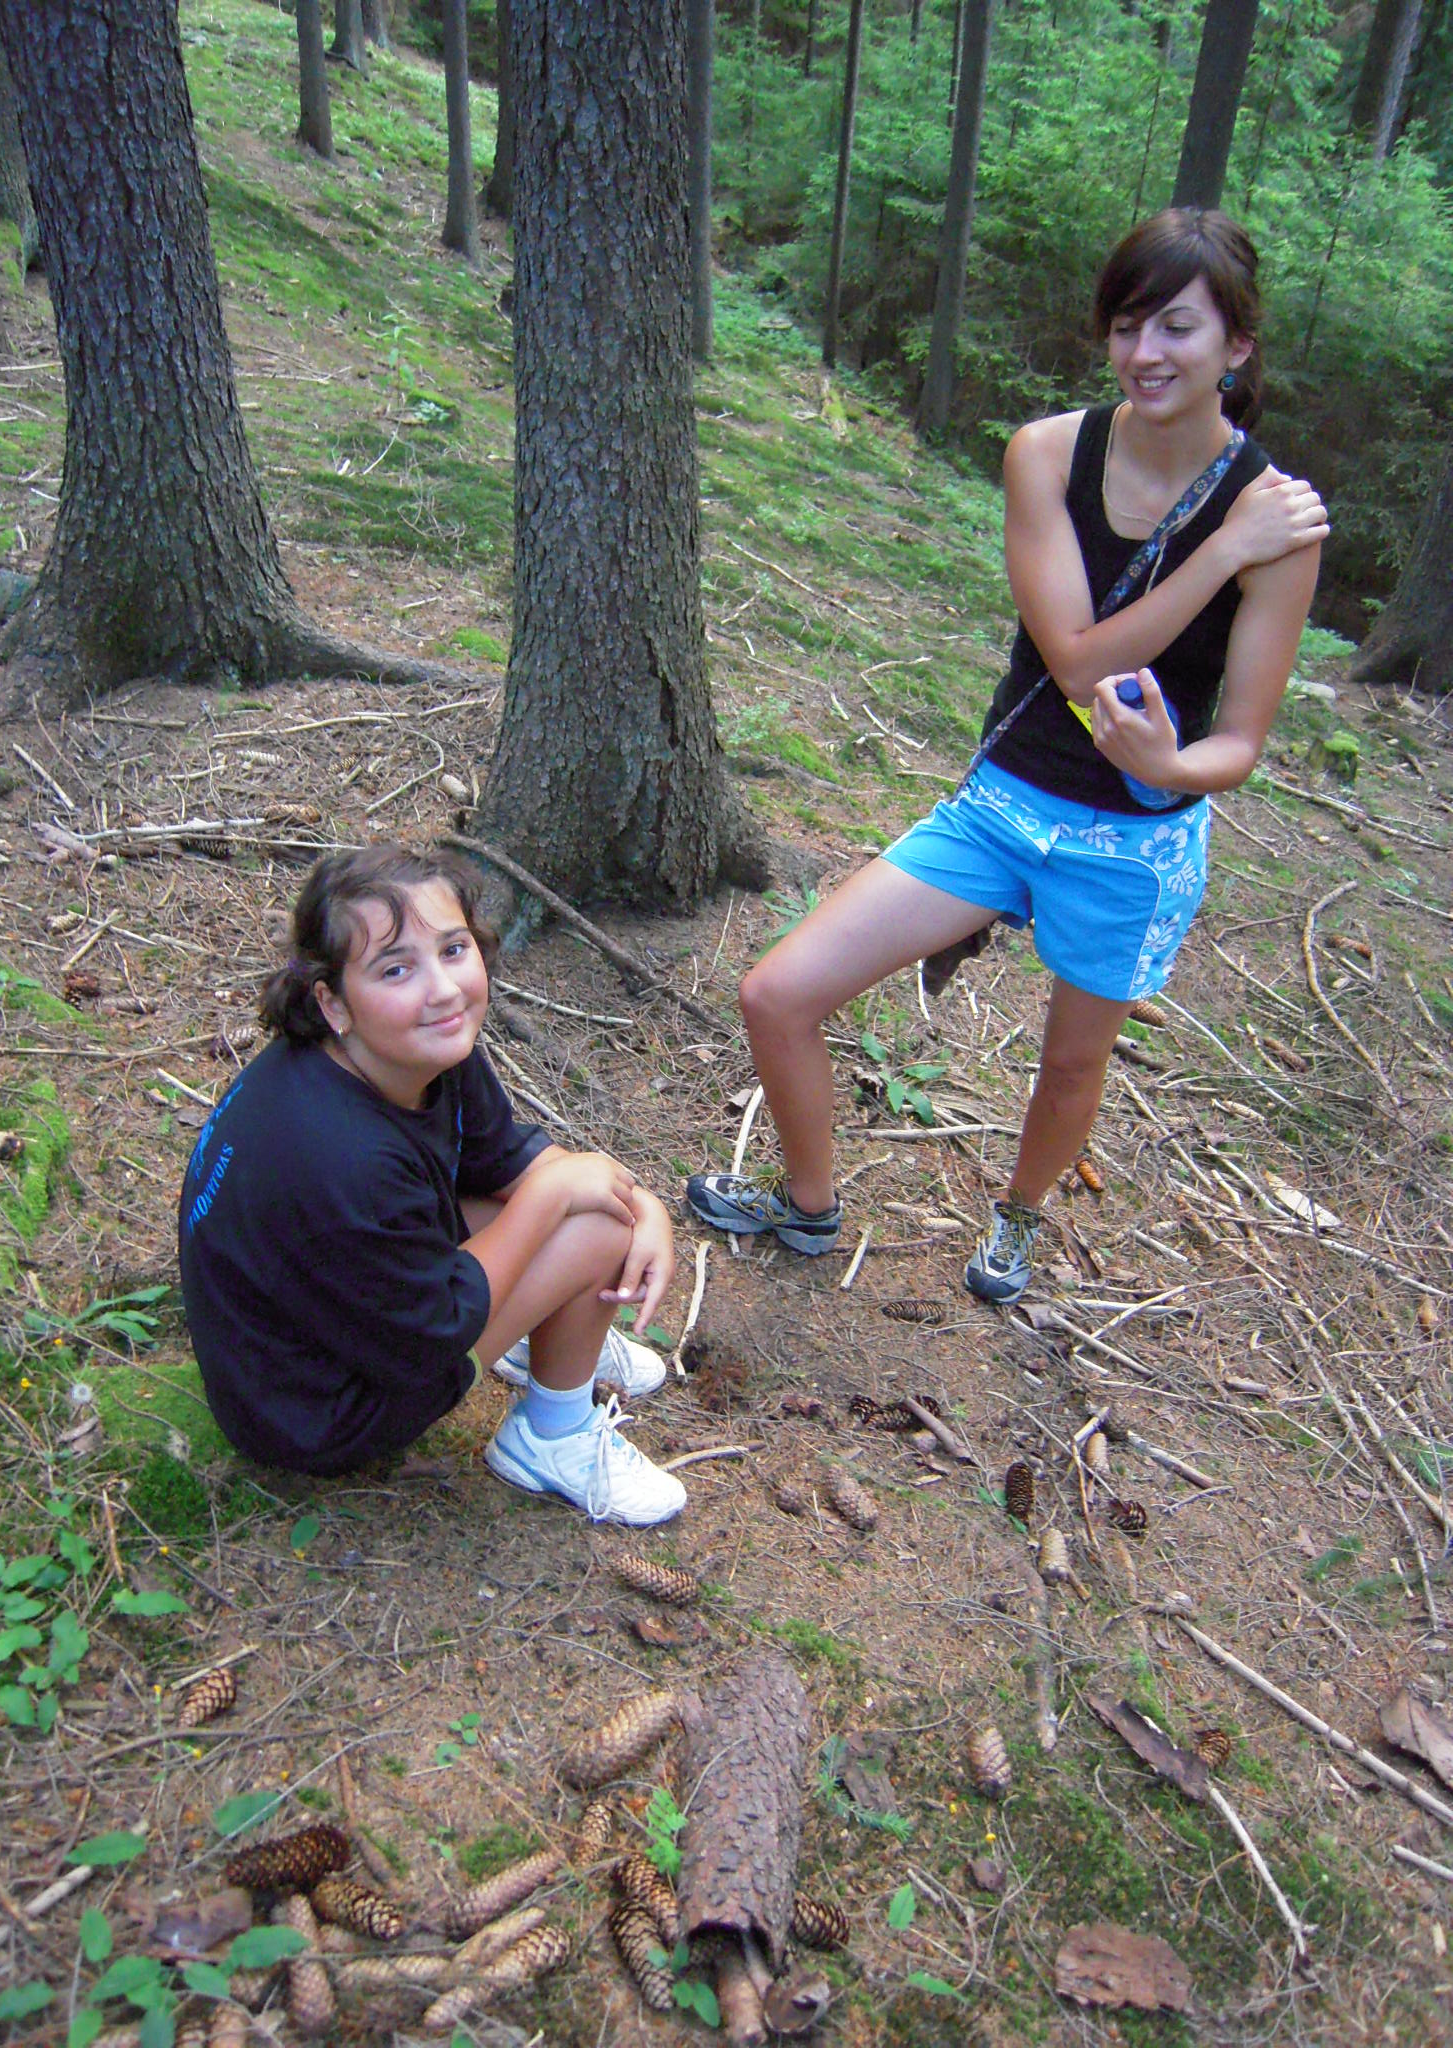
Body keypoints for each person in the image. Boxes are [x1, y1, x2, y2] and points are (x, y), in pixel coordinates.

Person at [687, 208, 1328, 1306]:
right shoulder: (1052, 453)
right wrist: (1223, 549)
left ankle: (1019, 1221)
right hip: (1002, 807)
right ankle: (807, 1201)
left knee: (1071, 1062)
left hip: (1133, 844)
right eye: (1126, 325)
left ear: (1237, 345)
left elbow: (1240, 744)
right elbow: (1074, 659)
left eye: (1177, 326)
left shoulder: (1281, 519)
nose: (1145, 352)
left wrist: (1171, 768)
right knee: (777, 993)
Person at [179, 844, 685, 1524]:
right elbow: (441, 1323)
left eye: (453, 950)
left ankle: (558, 1322)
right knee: (593, 1228)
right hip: (317, 1410)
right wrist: (558, 1198)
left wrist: (645, 1206)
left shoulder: (416, 1048)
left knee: (594, 1205)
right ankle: (552, 1436)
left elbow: (505, 1161)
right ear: (333, 1002)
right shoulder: (338, 1153)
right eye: (395, 969)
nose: (443, 989)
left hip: (348, 1314)